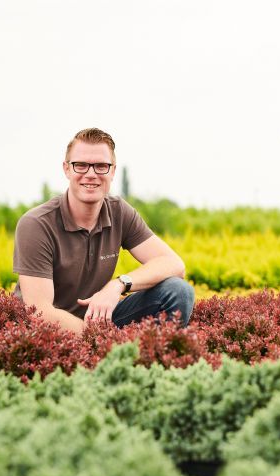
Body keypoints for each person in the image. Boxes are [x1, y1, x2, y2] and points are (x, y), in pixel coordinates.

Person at [12, 127, 194, 334]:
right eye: (80, 165)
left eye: (101, 166)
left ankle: (152, 354)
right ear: (66, 169)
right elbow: (40, 311)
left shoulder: (119, 212)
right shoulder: (36, 224)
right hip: (50, 335)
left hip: (99, 319)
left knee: (178, 291)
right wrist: (104, 341)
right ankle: (117, 351)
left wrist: (118, 285)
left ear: (113, 171)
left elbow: (173, 264)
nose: (91, 174)